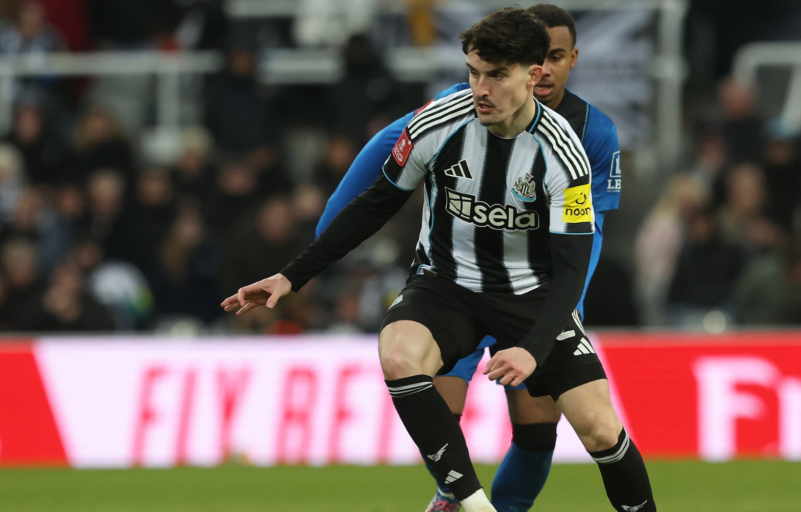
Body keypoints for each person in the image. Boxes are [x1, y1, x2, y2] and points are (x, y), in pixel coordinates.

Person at [222, 8, 655, 512]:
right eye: (474, 72)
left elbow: (573, 266)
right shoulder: (440, 120)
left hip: (532, 295)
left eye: (496, 75)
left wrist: (533, 348)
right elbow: (375, 203)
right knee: (398, 353)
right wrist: (291, 276)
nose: (481, 89)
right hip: (447, 286)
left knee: (600, 428)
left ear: (531, 75)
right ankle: (469, 502)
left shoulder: (564, 152)